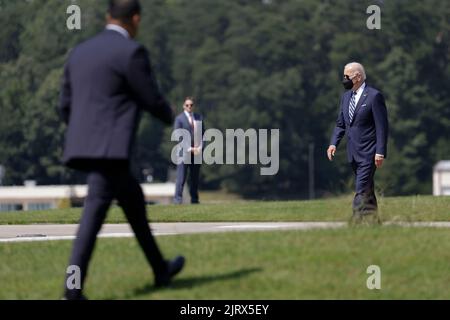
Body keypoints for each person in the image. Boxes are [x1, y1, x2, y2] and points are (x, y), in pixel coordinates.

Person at [58, 0, 184, 300]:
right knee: (93, 214)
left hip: (85, 144)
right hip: (110, 149)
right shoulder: (131, 52)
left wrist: (81, 133)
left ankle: (160, 269)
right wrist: (170, 116)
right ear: (136, 19)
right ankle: (71, 291)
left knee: (134, 203)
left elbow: (65, 104)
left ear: (107, 16)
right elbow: (149, 97)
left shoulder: (80, 51)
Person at [327, 62, 389, 224]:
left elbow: (382, 127)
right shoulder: (346, 97)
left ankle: (355, 220)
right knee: (367, 188)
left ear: (358, 77)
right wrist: (333, 143)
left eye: (347, 76)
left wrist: (380, 151)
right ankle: (375, 221)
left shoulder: (374, 96)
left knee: (361, 189)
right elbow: (341, 124)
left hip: (369, 152)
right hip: (353, 153)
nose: (344, 79)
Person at [173, 97, 204, 204]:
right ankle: (177, 200)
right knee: (181, 178)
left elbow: (203, 134)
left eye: (191, 105)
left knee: (194, 178)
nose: (189, 107)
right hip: (183, 153)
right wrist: (189, 149)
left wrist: (200, 147)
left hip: (196, 153)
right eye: (187, 105)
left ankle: (195, 200)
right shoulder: (179, 119)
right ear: (183, 106)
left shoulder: (199, 117)